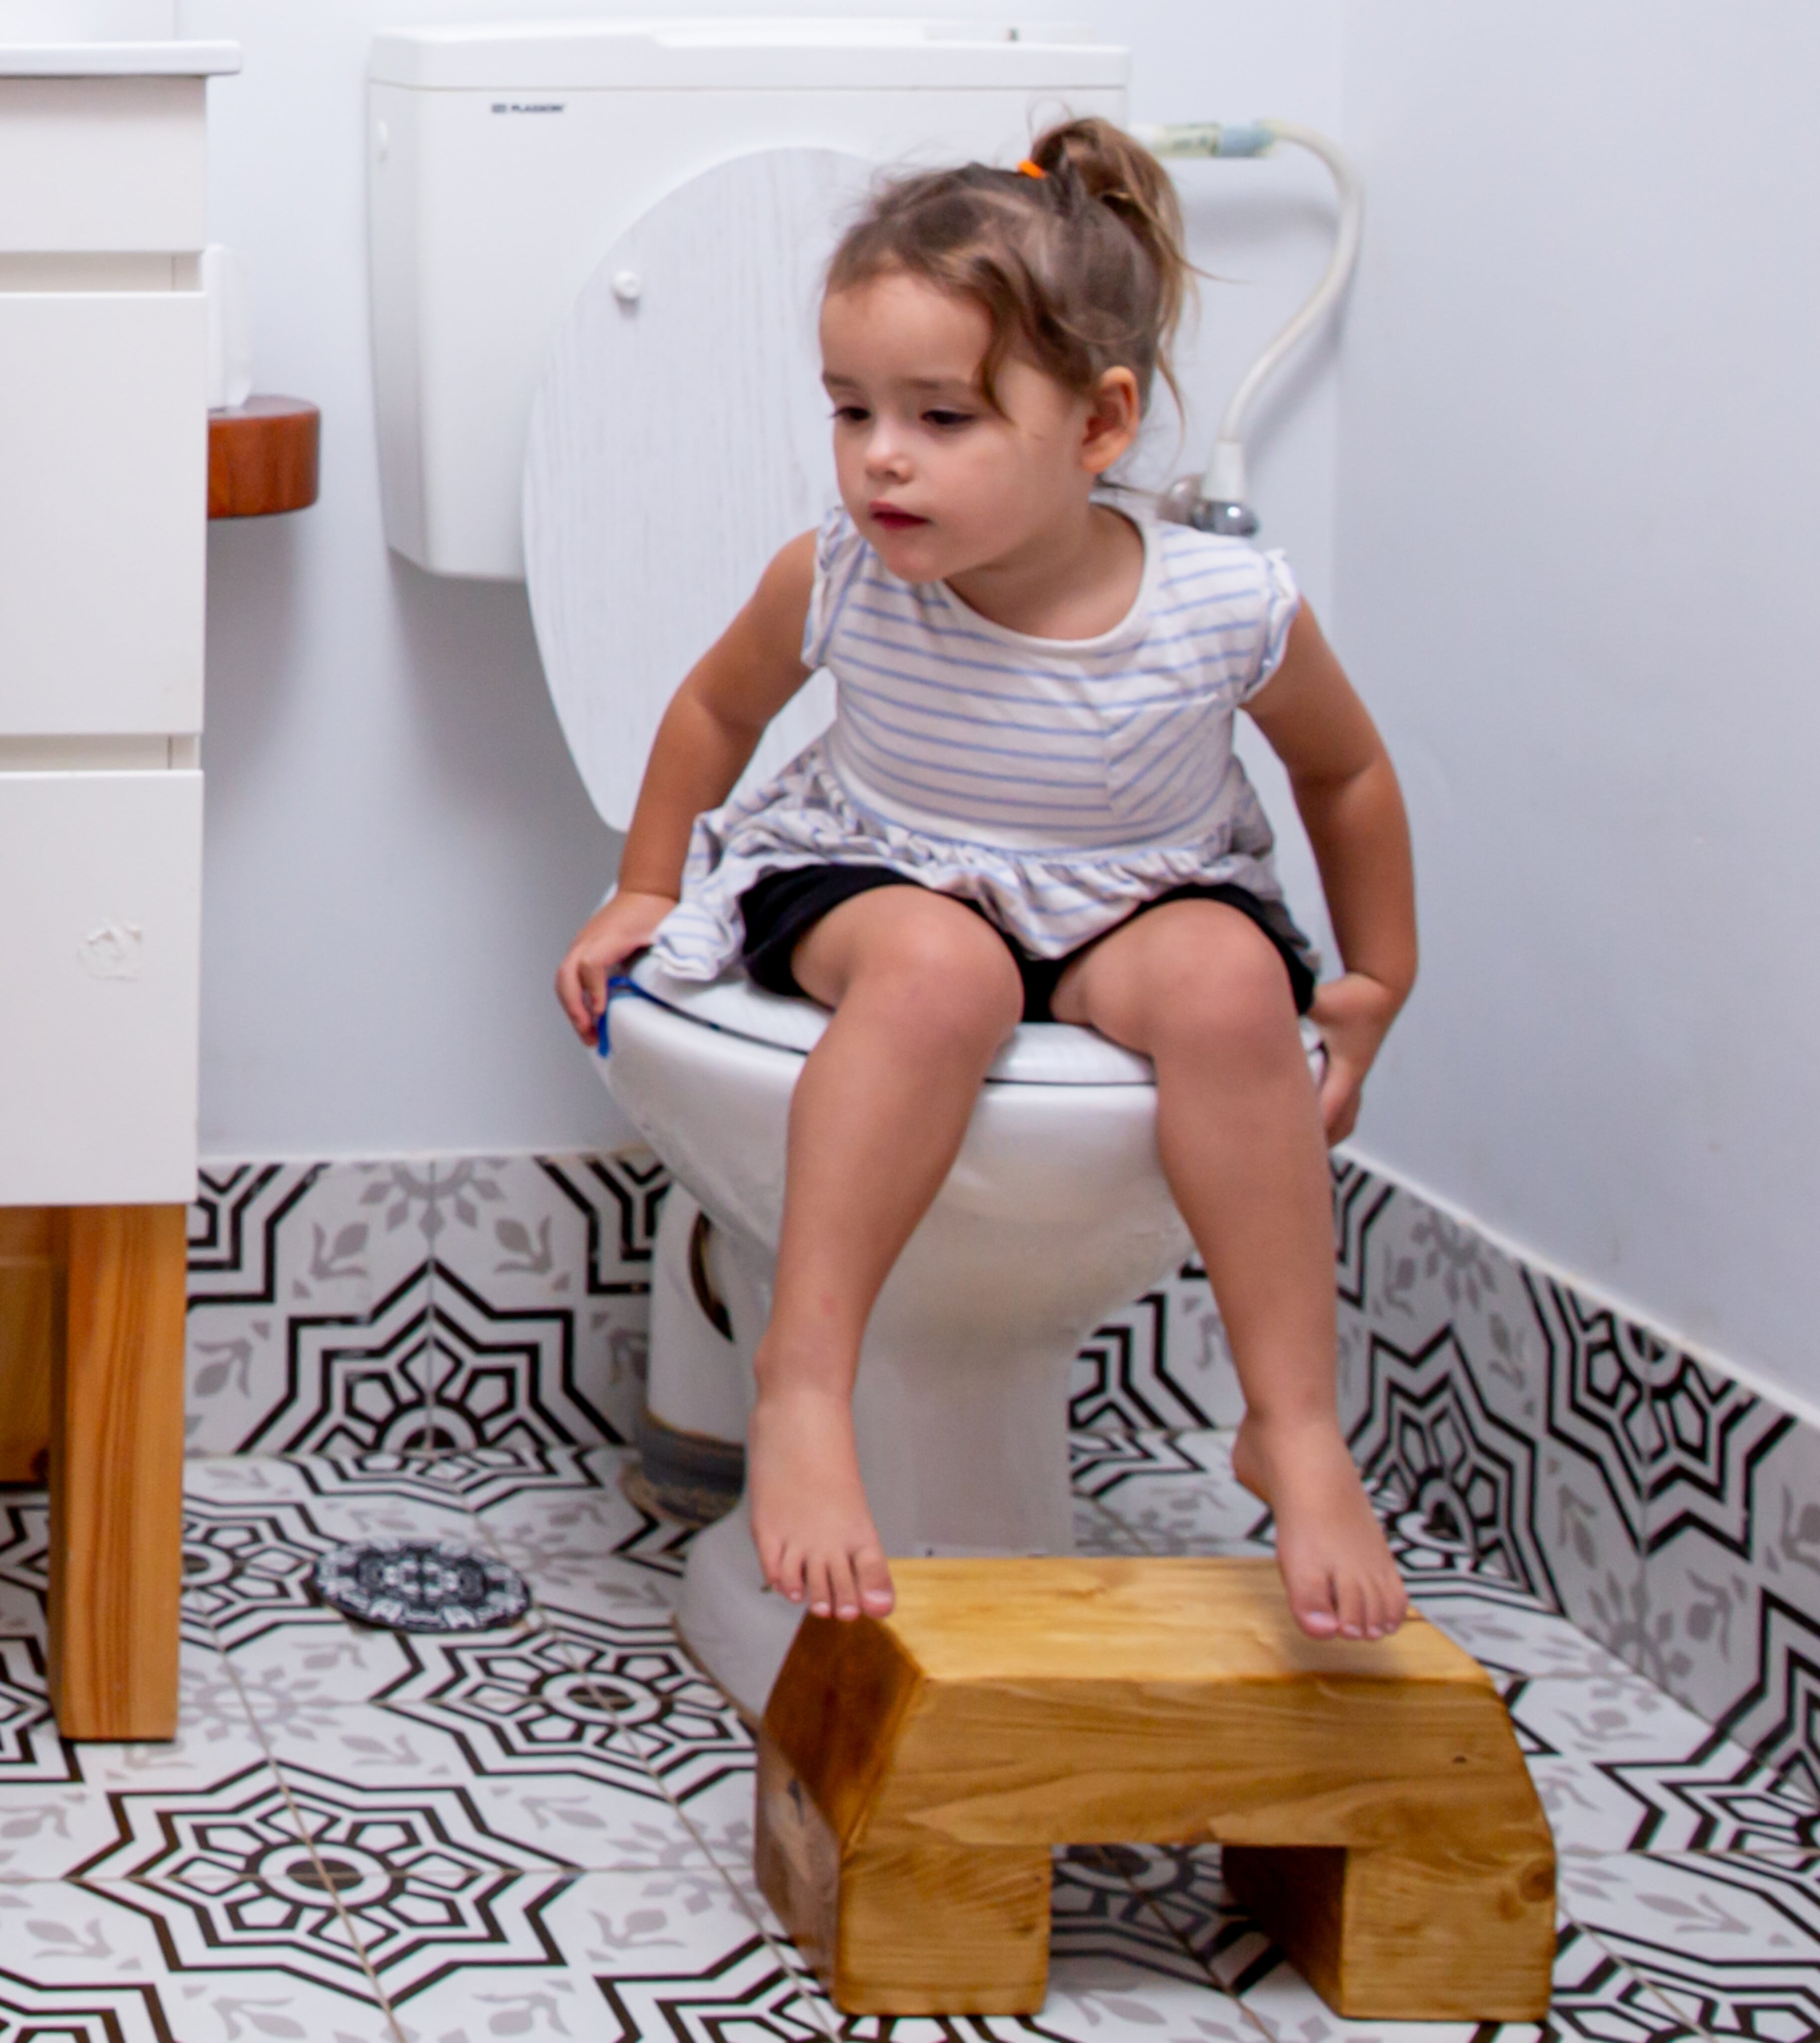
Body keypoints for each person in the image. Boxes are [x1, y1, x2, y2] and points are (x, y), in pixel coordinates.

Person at [556, 117, 1417, 1645]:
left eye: (943, 417)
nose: (881, 455)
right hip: (883, 866)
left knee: (1227, 989)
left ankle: (1295, 1420)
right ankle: (806, 1384)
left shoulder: (1223, 604)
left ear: (1100, 425)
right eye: (852, 410)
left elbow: (1345, 774)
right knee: (941, 976)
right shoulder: (837, 573)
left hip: (1131, 897)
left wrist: (1374, 980)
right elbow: (713, 711)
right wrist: (645, 887)